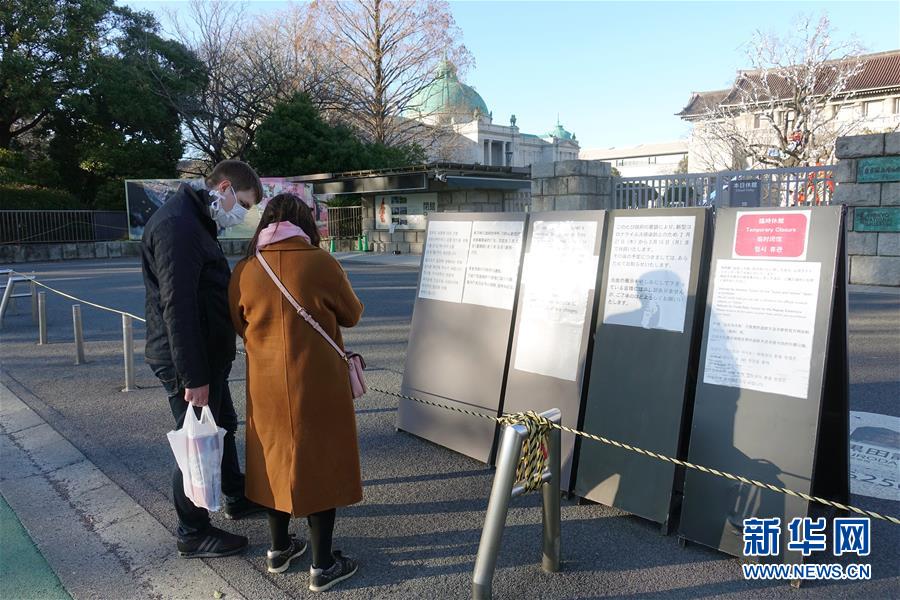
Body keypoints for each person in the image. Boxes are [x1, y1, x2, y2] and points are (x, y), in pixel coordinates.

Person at [228, 194, 364, 592]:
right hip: (318, 382)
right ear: (305, 223)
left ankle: (278, 548)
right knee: (319, 461)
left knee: (273, 459)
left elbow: (239, 324)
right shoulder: (321, 263)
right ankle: (323, 565)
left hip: (266, 384)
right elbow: (351, 314)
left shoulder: (247, 269)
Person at [141, 160, 265, 558]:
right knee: (195, 441)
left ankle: (235, 495)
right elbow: (177, 307)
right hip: (187, 361)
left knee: (222, 425)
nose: (242, 215)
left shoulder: (193, 220)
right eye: (242, 204)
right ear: (224, 187)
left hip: (205, 356)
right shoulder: (178, 225)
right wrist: (194, 376)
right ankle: (192, 530)